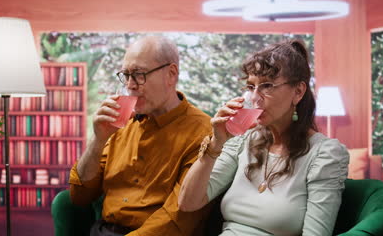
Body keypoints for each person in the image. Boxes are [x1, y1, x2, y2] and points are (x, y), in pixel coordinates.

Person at [178, 40, 350, 236]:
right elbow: (188, 202)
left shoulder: (325, 154)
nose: (254, 98)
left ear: (298, 91)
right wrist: (216, 144)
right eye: (251, 87)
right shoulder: (243, 140)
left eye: (266, 86)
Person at [69, 36, 213, 236]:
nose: (130, 85)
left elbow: (178, 219)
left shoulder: (203, 131)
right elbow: (79, 196)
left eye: (138, 74)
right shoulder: (120, 123)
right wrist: (98, 140)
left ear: (171, 74)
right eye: (126, 75)